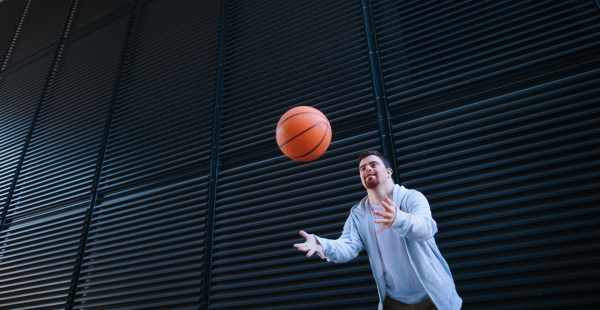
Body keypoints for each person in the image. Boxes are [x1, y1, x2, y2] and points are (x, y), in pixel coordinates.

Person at [293, 151, 462, 310]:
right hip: (395, 303)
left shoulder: (411, 197)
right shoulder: (358, 214)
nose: (367, 169)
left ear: (389, 171)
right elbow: (348, 246)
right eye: (362, 168)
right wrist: (323, 245)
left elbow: (427, 227)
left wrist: (398, 219)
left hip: (434, 298)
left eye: (373, 164)